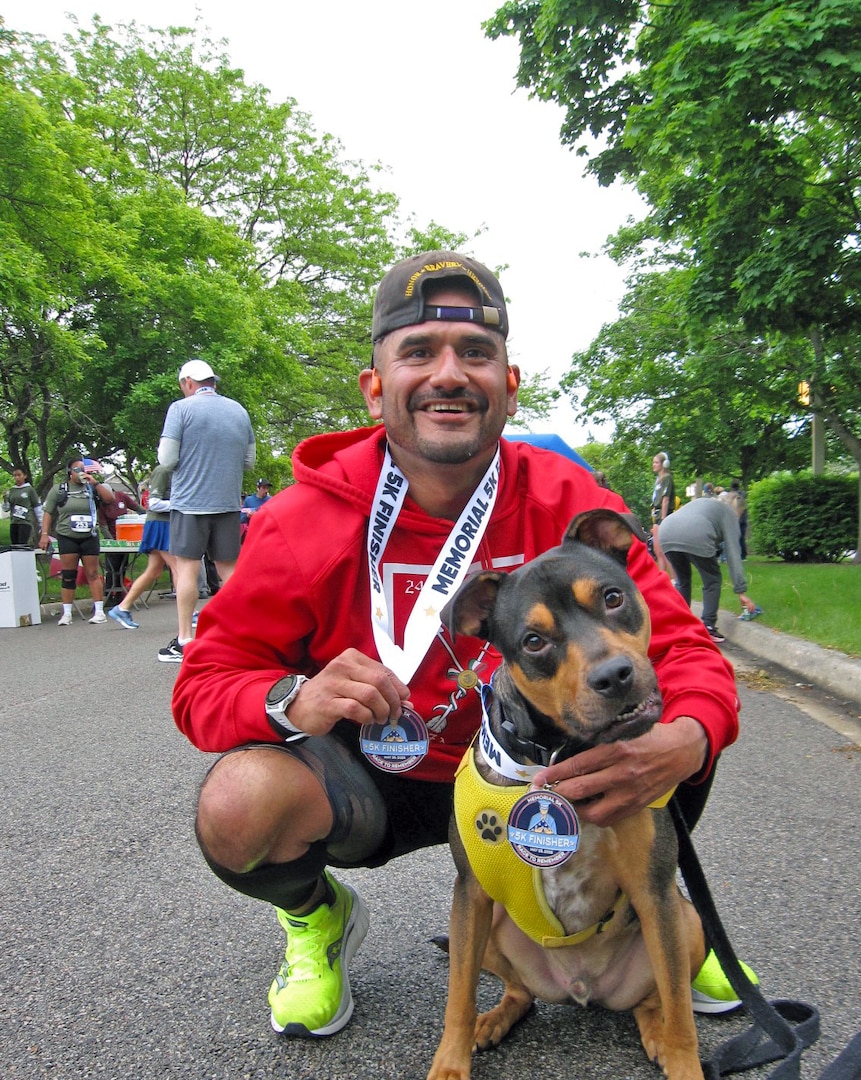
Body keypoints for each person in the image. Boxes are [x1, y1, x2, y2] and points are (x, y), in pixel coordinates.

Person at [172, 251, 749, 1040]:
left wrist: (690, 735)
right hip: (387, 773)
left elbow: (684, 649)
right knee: (238, 805)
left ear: (508, 385)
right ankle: (318, 920)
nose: (449, 373)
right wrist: (290, 698)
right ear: (375, 386)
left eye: (476, 353)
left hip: (544, 767)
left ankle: (654, 919)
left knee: (669, 717)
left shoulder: (565, 495)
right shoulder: (300, 519)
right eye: (418, 352)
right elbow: (203, 682)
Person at [156, 358, 255, 662]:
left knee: (187, 567)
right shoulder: (238, 410)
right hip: (227, 503)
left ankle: (186, 639)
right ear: (212, 381)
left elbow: (167, 459)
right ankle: (244, 637)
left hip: (189, 503)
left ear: (188, 382)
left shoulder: (181, 409)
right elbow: (249, 461)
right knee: (230, 571)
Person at [658, 496, 762, 644]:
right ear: (739, 509)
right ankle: (708, 626)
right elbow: (733, 552)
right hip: (696, 533)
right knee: (712, 580)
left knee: (683, 581)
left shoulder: (707, 504)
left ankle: (680, 625)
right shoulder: (729, 513)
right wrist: (741, 591)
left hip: (666, 531)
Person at [38, 456, 116, 625]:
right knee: (68, 575)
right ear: (69, 472)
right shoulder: (59, 490)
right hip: (68, 536)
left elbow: (110, 500)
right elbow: (48, 512)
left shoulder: (91, 488)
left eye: (84, 470)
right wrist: (44, 534)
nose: (81, 473)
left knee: (93, 573)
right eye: (77, 469)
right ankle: (66, 614)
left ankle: (99, 611)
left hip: (89, 536)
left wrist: (95, 483)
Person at [108, 465, 175, 630]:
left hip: (167, 524)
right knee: (179, 567)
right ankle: (191, 612)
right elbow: (154, 503)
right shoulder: (162, 471)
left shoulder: (177, 471)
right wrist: (181, 504)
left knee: (154, 571)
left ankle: (122, 608)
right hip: (160, 525)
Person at [97, 483, 144, 607]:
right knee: (112, 569)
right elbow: (103, 525)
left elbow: (137, 508)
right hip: (112, 539)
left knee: (122, 568)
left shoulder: (122, 497)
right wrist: (112, 542)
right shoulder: (101, 504)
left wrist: (146, 517)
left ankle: (119, 595)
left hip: (126, 538)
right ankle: (108, 596)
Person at [649, 451, 676, 577]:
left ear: (664, 464)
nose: (653, 465)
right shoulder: (658, 480)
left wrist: (663, 519)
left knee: (664, 551)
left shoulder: (667, 478)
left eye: (656, 462)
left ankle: (676, 580)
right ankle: (662, 577)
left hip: (663, 516)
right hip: (656, 516)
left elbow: (665, 499)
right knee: (657, 550)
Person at [4, 467, 42, 546]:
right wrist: (5, 499)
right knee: (14, 545)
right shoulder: (12, 490)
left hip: (25, 521)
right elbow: (6, 508)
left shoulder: (29, 489)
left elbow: (37, 506)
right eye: (15, 475)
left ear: (24, 476)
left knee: (22, 545)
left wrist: (41, 523)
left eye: (19, 475)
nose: (17, 477)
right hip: (14, 521)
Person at [719, 480, 749, 559]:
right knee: (741, 537)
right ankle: (742, 555)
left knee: (731, 538)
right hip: (742, 519)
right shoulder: (743, 494)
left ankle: (732, 554)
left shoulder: (728, 496)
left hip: (732, 519)